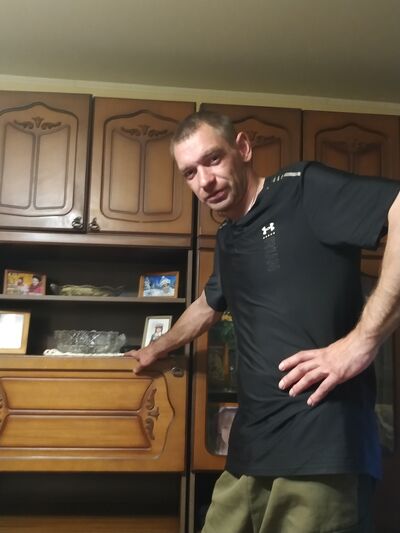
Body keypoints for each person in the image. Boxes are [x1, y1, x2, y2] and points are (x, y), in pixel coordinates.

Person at [125, 111, 400, 532]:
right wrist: (155, 348)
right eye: (190, 173)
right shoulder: (229, 236)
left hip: (321, 452)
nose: (205, 181)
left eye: (213, 159)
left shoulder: (302, 188)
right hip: (249, 453)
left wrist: (362, 341)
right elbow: (208, 304)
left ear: (243, 148)